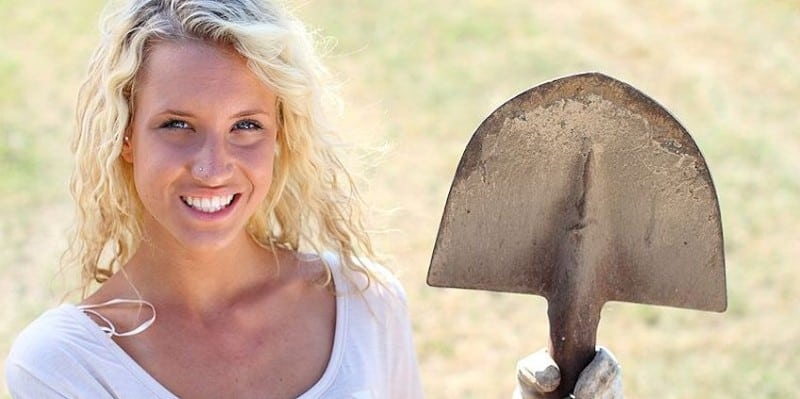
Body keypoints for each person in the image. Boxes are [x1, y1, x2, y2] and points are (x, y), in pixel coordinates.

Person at [5, 1, 622, 398]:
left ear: (281, 138)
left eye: (247, 125)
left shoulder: (363, 305)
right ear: (126, 139)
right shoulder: (62, 368)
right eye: (176, 124)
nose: (213, 167)